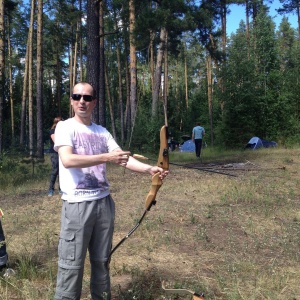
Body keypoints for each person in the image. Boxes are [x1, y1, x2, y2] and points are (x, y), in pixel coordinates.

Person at [53, 82, 168, 300]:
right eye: (77, 97)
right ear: (71, 100)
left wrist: (150, 169)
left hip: (104, 204)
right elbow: (67, 160)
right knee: (71, 265)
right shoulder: (65, 127)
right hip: (77, 205)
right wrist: (107, 157)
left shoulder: (101, 132)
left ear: (94, 102)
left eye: (87, 98)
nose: (82, 101)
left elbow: (122, 158)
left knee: (102, 261)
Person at [48, 116, 63, 197]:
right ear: (56, 123)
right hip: (54, 153)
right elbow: (56, 141)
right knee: (55, 170)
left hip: (62, 153)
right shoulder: (52, 131)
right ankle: (51, 189)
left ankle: (61, 188)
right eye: (60, 122)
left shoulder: (64, 132)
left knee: (62, 171)